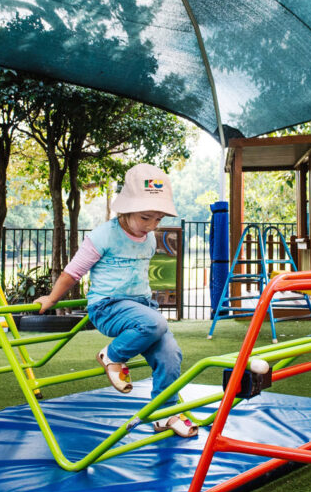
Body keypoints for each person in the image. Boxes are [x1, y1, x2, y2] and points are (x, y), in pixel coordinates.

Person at [34, 163, 197, 437]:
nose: (152, 225)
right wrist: (51, 298)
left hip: (141, 309)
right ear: (126, 210)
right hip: (108, 307)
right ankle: (111, 355)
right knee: (155, 323)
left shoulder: (149, 239)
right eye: (146, 217)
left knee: (171, 355)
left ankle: (164, 414)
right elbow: (73, 272)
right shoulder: (103, 236)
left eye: (158, 219)